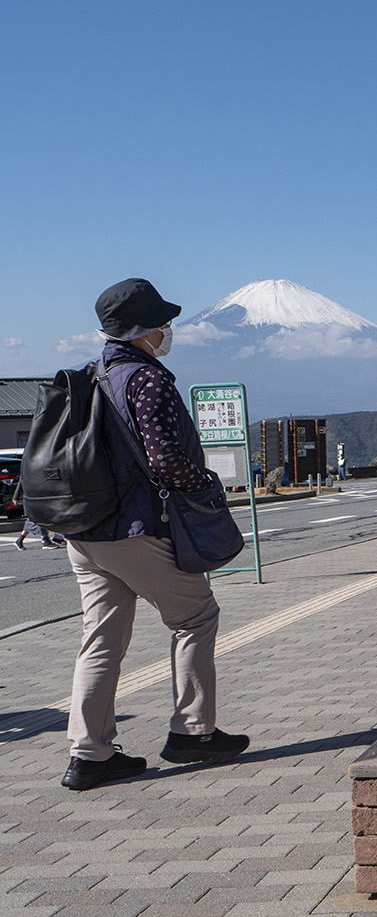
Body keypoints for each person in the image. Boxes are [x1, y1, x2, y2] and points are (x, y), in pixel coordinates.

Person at [60, 279, 250, 791]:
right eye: (163, 323)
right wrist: (206, 484)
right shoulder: (145, 379)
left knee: (101, 639)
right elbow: (166, 459)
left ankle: (89, 755)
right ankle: (193, 732)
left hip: (84, 531)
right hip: (133, 528)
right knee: (196, 616)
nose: (168, 331)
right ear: (145, 329)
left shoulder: (90, 376)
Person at [13, 477, 63, 549]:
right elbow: (22, 480)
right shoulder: (28, 468)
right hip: (31, 499)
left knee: (32, 520)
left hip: (39, 498)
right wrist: (16, 497)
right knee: (39, 518)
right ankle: (45, 540)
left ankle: (20, 540)